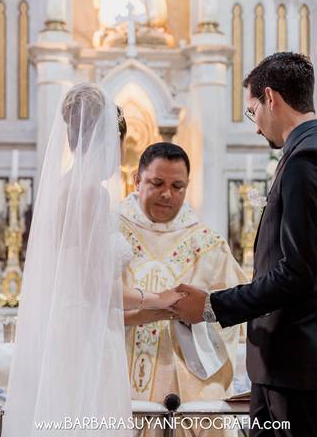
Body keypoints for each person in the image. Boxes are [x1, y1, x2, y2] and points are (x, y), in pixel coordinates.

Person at [172, 52, 317, 436]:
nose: (256, 126)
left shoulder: (309, 160)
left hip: (295, 364)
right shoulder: (311, 154)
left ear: (270, 98)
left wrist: (210, 306)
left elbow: (296, 274)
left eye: (252, 110)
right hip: (285, 365)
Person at [4, 83, 182, 436]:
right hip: (87, 340)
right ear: (110, 140)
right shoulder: (90, 194)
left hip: (70, 329)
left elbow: (81, 287)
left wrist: (153, 308)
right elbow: (96, 288)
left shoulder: (63, 188)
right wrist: (157, 298)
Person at [119, 143, 247, 435]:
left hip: (185, 383)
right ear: (137, 180)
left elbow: (234, 319)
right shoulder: (111, 231)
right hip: (116, 374)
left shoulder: (208, 244)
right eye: (157, 183)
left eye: (178, 186)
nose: (167, 194)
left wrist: (195, 315)